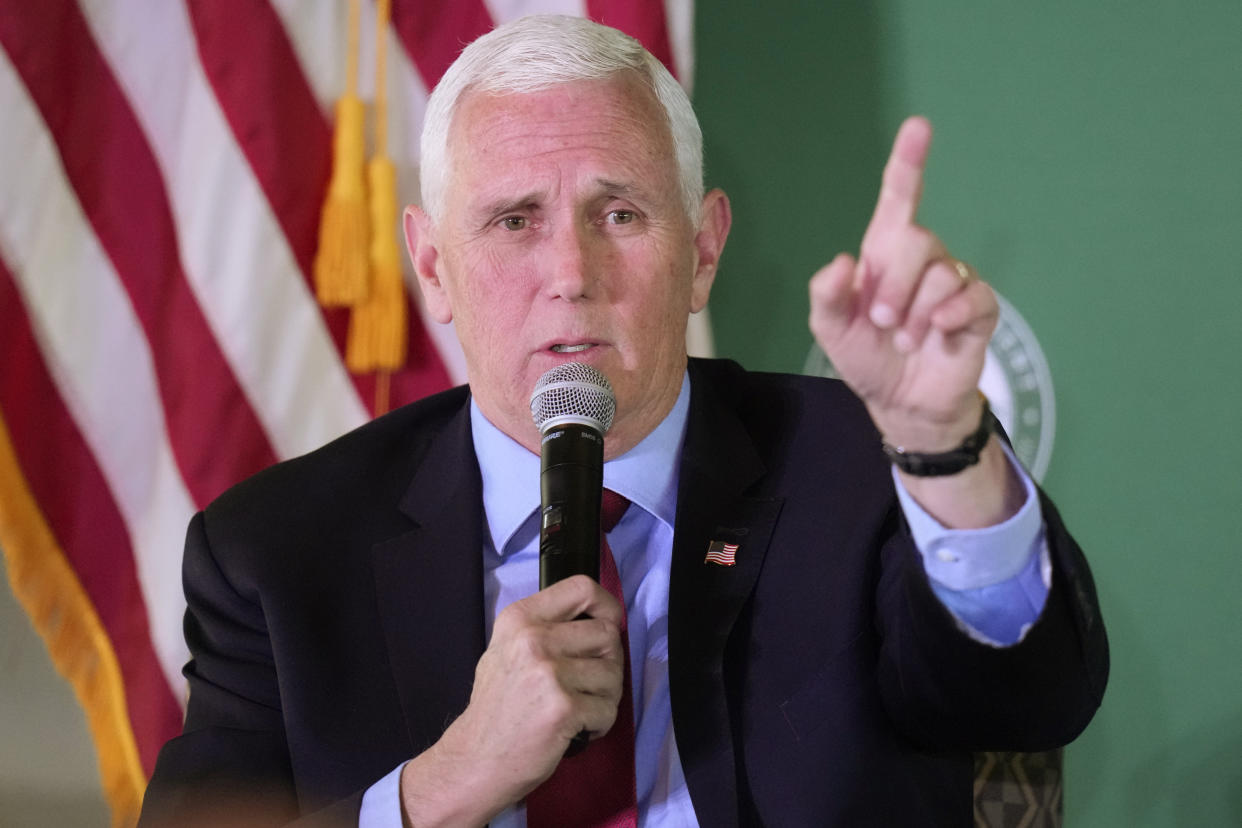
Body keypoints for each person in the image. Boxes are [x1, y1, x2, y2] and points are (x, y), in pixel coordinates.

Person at [140, 14, 1107, 828]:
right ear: (433, 268)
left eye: (621, 214)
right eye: (514, 220)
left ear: (704, 249)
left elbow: (1031, 700)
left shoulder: (866, 468)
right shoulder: (275, 553)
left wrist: (943, 446)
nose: (571, 274)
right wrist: (450, 781)